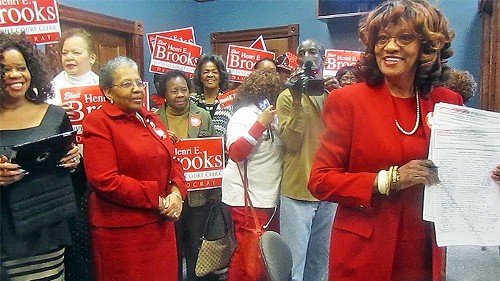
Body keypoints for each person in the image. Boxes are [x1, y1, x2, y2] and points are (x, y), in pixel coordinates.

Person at [307, 1, 465, 280]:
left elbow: (459, 175)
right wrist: (388, 180)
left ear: (426, 47)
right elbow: (320, 180)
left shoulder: (448, 102)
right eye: (382, 39)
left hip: (425, 249)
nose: (390, 47)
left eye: (404, 38)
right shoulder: (348, 101)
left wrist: (488, 177)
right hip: (363, 250)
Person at [82, 56, 187, 281]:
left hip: (162, 227)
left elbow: (172, 159)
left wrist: (176, 194)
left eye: (139, 82)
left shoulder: (151, 118)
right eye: (127, 84)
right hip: (123, 234)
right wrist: (158, 200)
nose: (137, 89)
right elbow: (105, 180)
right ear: (108, 92)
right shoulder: (98, 122)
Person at [0, 32, 80, 280]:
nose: (15, 75)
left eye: (21, 68)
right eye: (4, 69)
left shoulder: (55, 116)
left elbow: (74, 171)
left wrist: (76, 160)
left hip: (46, 231)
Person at [276, 38, 339, 281]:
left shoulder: (333, 95)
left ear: (323, 59)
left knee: (321, 263)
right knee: (294, 264)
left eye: (313, 51)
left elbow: (344, 136)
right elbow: (291, 142)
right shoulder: (285, 96)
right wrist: (297, 100)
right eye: (302, 52)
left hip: (328, 189)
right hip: (298, 190)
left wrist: (337, 95)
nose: (307, 56)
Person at [155, 69, 221, 281]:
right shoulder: (153, 120)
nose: (180, 95)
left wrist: (214, 191)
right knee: (171, 249)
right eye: (174, 91)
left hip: (197, 198)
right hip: (167, 196)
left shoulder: (202, 116)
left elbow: (214, 152)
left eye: (184, 89)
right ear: (165, 94)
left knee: (196, 247)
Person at [222, 69, 284, 281]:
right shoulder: (243, 115)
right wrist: (260, 124)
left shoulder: (277, 115)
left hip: (269, 198)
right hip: (245, 197)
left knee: (264, 258)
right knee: (250, 260)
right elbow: (236, 152)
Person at [50, 28, 99, 114]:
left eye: (76, 52)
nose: (68, 57)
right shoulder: (50, 89)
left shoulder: (104, 86)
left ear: (92, 58)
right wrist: (54, 114)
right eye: (64, 53)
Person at [192, 54, 230, 118]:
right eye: (206, 72)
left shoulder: (229, 102)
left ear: (221, 76)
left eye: (214, 72)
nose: (210, 75)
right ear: (200, 77)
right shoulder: (191, 102)